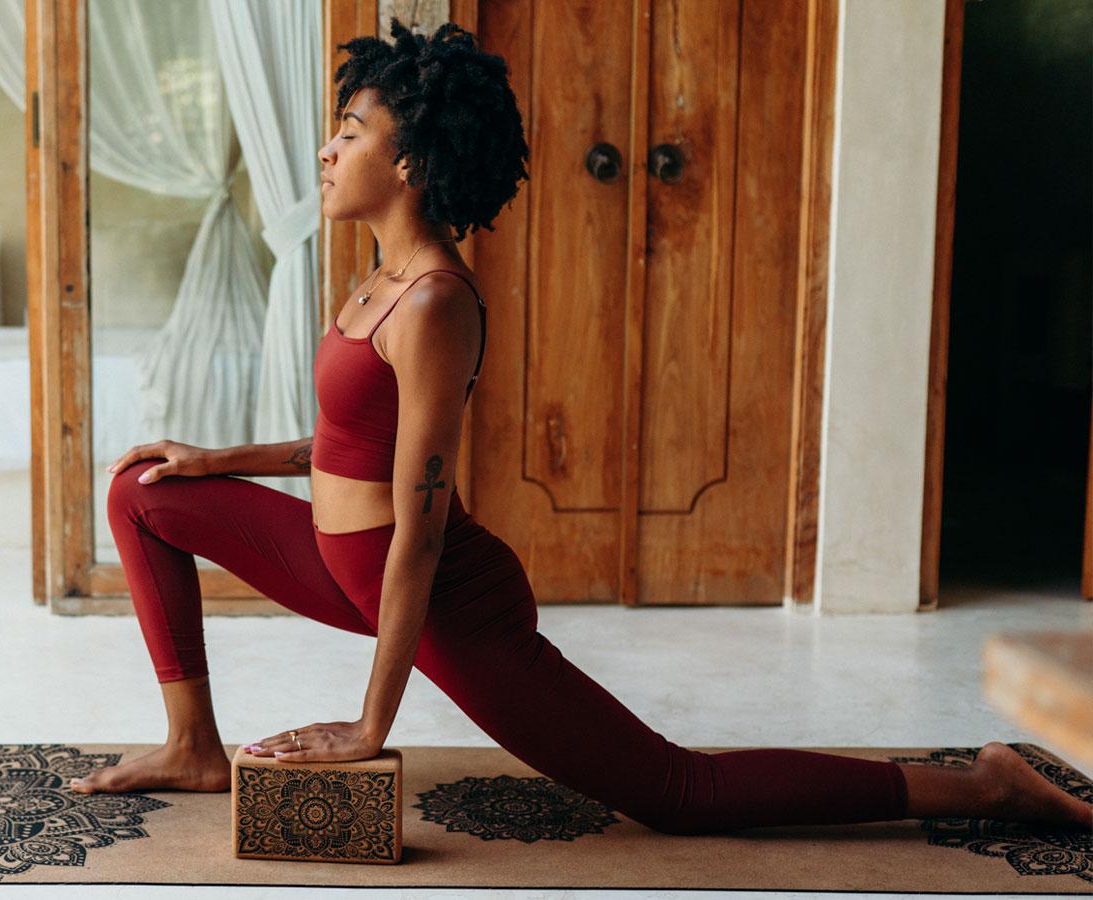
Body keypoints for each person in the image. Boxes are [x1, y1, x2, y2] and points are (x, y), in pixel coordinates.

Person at [65, 18, 1091, 836]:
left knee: (675, 796)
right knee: (142, 492)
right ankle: (192, 745)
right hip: (345, 561)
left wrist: (370, 725)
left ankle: (981, 788)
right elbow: (343, 445)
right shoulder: (376, 278)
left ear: (413, 156)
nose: (327, 149)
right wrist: (214, 461)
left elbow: (419, 530)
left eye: (351, 133)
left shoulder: (433, 302)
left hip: (435, 593)